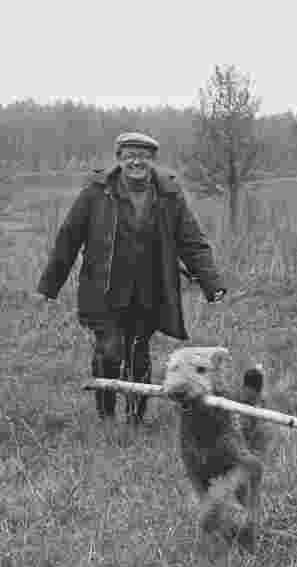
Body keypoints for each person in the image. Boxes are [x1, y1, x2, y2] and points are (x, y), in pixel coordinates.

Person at [37, 132, 227, 424]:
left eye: (143, 155)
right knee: (110, 351)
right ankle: (106, 416)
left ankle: (135, 418)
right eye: (129, 155)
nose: (136, 161)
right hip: (103, 290)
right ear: (119, 159)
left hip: (149, 289)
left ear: (152, 160)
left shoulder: (169, 195)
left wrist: (211, 283)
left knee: (139, 353)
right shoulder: (96, 192)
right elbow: (68, 238)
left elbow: (191, 241)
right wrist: (50, 285)